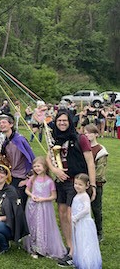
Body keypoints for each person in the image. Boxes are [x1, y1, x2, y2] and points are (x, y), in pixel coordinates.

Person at [48, 110, 96, 267]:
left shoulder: (80, 138)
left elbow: (90, 162)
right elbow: (49, 158)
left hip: (76, 182)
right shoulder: (55, 139)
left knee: (71, 215)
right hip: (61, 181)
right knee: (62, 214)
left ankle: (75, 251)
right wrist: (55, 170)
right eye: (59, 120)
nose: (62, 123)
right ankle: (70, 248)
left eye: (65, 120)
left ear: (70, 122)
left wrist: (92, 185)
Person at [23, 157, 66, 259]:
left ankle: (42, 248)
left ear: (45, 167)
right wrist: (31, 195)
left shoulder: (49, 181)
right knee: (33, 226)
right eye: (35, 166)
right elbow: (27, 190)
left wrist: (43, 199)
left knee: (42, 226)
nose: (36, 168)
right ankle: (33, 247)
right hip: (32, 206)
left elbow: (54, 196)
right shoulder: (32, 179)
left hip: (44, 207)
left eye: (38, 166)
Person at [0, 113, 35, 207]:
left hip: (21, 176)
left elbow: (31, 158)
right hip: (11, 176)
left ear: (11, 124)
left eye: (4, 122)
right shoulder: (6, 141)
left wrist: (28, 179)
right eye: (0, 123)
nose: (1, 124)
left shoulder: (20, 140)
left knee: (19, 206)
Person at [70, 173, 102, 269]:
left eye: (80, 184)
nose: (77, 186)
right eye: (75, 183)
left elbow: (86, 210)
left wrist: (76, 217)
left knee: (85, 243)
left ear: (87, 185)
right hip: (78, 223)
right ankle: (81, 260)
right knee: (79, 242)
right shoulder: (77, 195)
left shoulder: (84, 196)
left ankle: (88, 263)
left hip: (84, 223)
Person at [84, 124, 108, 242]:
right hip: (82, 184)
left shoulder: (100, 150)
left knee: (96, 208)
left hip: (95, 184)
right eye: (85, 132)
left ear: (96, 134)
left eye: (90, 133)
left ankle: (99, 232)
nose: (87, 135)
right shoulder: (83, 147)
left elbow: (100, 171)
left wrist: (91, 182)